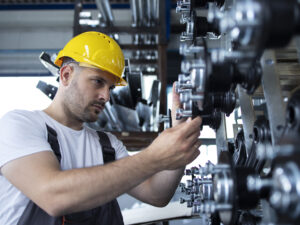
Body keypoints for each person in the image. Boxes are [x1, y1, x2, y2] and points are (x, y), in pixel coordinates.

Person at [0, 31, 202, 225]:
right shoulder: (20, 125)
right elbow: (53, 196)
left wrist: (180, 134)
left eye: (111, 87)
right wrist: (153, 157)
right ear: (66, 75)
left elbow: (157, 195)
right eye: (98, 81)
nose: (106, 96)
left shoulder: (108, 146)